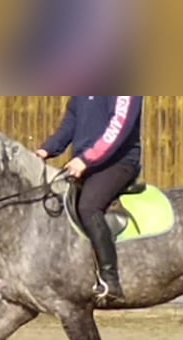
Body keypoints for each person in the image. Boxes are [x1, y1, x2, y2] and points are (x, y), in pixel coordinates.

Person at [37, 96, 144, 303]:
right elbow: (70, 125)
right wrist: (46, 150)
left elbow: (119, 127)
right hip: (86, 163)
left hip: (118, 163)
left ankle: (110, 279)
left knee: (88, 207)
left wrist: (87, 159)